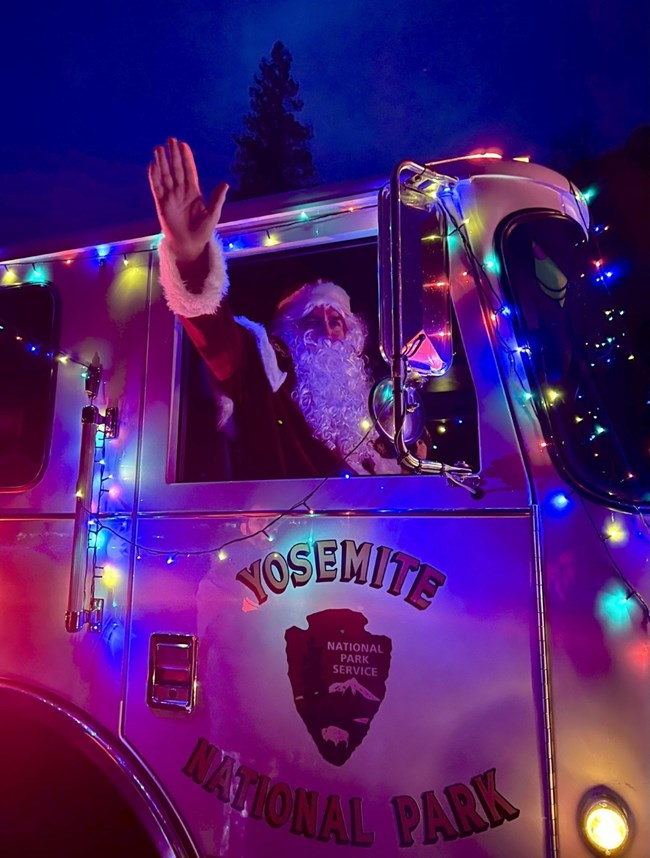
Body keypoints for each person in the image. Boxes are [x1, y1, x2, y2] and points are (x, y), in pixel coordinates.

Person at [149, 138, 401, 480]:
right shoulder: (271, 371)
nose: (326, 331)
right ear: (289, 331)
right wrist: (191, 258)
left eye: (336, 321)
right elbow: (222, 344)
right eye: (312, 321)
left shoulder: (369, 410)